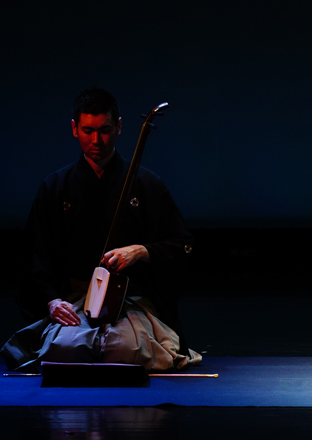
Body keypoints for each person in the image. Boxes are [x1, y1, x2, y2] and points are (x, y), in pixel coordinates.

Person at [1, 87, 201, 372]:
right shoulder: (55, 187)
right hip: (76, 301)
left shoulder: (147, 184)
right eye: (87, 130)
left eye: (105, 130)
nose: (96, 140)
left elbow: (182, 244)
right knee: (64, 349)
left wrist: (142, 251)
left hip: (130, 300)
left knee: (125, 348)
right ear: (74, 129)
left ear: (119, 127)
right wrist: (53, 300)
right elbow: (37, 254)